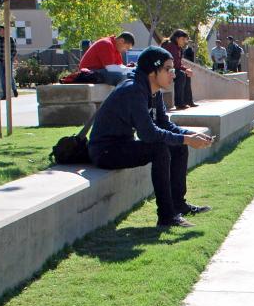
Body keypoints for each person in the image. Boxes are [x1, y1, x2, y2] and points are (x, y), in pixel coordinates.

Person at [88, 46, 215, 228]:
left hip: (124, 145)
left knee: (178, 146)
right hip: (106, 152)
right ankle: (166, 216)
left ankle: (178, 204)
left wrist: (190, 135)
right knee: (159, 149)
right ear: (152, 71)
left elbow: (164, 124)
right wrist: (187, 139)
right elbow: (148, 134)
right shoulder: (133, 90)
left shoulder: (153, 91)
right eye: (168, 69)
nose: (173, 74)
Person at [163, 29, 197, 109]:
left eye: (185, 39)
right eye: (183, 39)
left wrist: (186, 69)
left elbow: (178, 64)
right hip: (164, 69)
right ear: (177, 38)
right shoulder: (170, 45)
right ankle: (179, 103)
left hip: (173, 68)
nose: (185, 41)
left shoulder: (179, 48)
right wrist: (184, 70)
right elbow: (173, 63)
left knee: (186, 74)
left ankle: (188, 101)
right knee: (181, 75)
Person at [0, 26, 18, 99]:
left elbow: (14, 50)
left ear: (4, 30)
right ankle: (4, 94)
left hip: (8, 61)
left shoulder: (10, 39)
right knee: (2, 78)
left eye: (0, 30)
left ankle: (14, 89)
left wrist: (10, 58)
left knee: (9, 76)